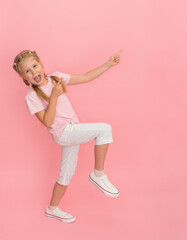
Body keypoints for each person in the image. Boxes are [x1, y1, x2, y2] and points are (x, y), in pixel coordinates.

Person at [12, 49, 123, 223]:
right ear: (24, 78)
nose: (34, 72)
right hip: (64, 133)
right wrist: (54, 96)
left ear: (41, 64)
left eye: (34, 66)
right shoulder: (32, 96)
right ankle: (98, 174)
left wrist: (108, 64)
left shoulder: (56, 78)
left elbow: (86, 77)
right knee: (104, 129)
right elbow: (48, 122)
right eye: (28, 71)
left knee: (65, 175)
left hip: (73, 131)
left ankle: (52, 209)